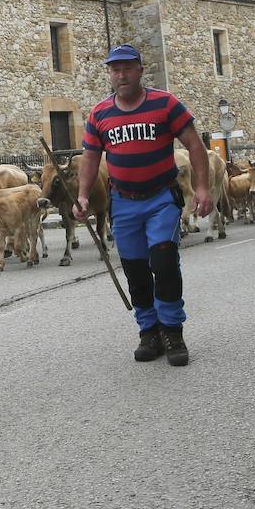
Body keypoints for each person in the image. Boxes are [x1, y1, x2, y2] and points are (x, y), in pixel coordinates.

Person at [75, 44, 213, 368]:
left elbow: (195, 145)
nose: (120, 75)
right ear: (109, 73)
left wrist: (202, 188)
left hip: (161, 197)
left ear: (140, 69)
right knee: (136, 270)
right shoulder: (99, 114)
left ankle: (172, 331)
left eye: (126, 68)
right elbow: (91, 158)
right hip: (122, 202)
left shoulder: (166, 104)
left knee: (163, 259)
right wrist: (82, 196)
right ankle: (148, 331)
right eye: (114, 69)